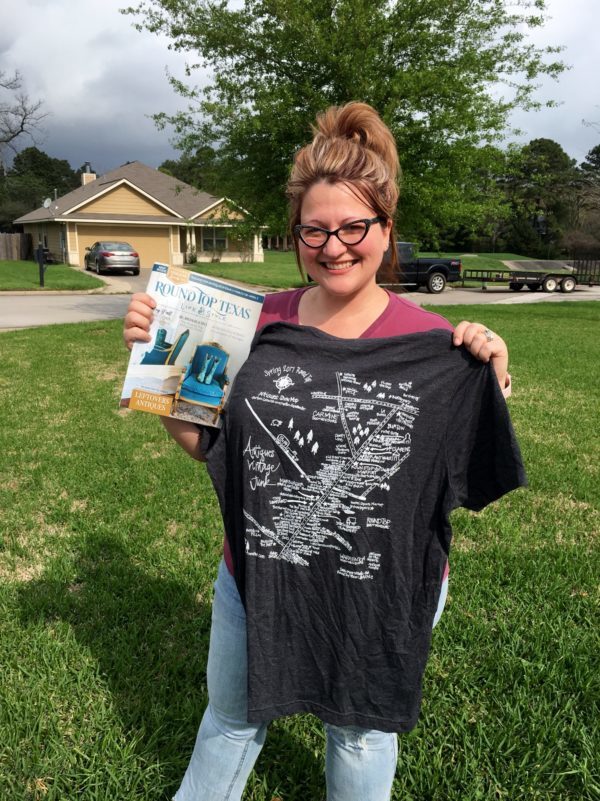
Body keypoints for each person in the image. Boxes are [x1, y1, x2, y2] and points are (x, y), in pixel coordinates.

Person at [123, 102, 525, 801]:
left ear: (386, 229)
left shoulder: (435, 341)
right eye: (315, 229)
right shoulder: (254, 321)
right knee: (231, 715)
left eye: (353, 227)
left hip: (384, 587)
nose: (333, 245)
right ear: (296, 235)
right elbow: (206, 443)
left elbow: (468, 461)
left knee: (361, 730)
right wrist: (158, 363)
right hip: (256, 574)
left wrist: (488, 379)